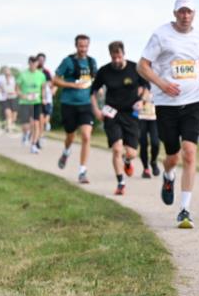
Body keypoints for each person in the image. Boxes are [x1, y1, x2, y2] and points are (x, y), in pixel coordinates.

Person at [138, 0, 199, 228]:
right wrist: (162, 84)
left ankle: (184, 209)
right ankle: (168, 175)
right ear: (175, 13)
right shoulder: (161, 35)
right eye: (181, 12)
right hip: (166, 103)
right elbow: (142, 66)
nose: (185, 16)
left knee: (189, 152)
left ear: (194, 14)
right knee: (172, 155)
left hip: (194, 100)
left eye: (189, 12)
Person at [90, 41, 148, 195]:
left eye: (119, 56)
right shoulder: (104, 71)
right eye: (113, 57)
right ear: (110, 55)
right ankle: (121, 183)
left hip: (131, 114)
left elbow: (147, 88)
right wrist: (96, 110)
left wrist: (142, 100)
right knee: (116, 149)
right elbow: (93, 91)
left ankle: (127, 161)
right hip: (112, 113)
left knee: (131, 153)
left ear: (124, 54)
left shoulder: (135, 69)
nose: (116, 60)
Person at [54, 36, 98, 184]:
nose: (83, 49)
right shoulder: (68, 61)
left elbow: (96, 80)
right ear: (76, 46)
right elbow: (56, 80)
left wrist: (98, 89)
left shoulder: (92, 62)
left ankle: (82, 171)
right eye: (80, 46)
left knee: (86, 136)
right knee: (70, 136)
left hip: (85, 104)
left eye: (85, 46)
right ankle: (66, 152)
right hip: (69, 103)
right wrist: (72, 85)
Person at [18, 56, 47, 153]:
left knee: (36, 123)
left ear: (37, 64)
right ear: (29, 64)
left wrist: (44, 98)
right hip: (25, 102)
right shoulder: (23, 75)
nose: (33, 65)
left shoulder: (41, 75)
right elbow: (17, 88)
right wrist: (22, 96)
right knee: (26, 125)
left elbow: (43, 88)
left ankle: (33, 145)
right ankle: (25, 134)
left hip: (36, 102)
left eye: (35, 64)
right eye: (31, 63)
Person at [138, 87, 161, 179]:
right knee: (143, 144)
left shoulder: (155, 84)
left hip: (154, 118)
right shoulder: (139, 85)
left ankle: (153, 161)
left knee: (155, 143)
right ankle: (145, 168)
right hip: (140, 118)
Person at [36, 53, 54, 138]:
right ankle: (39, 135)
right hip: (36, 98)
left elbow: (52, 83)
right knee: (39, 119)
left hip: (47, 98)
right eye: (39, 60)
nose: (41, 62)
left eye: (43, 60)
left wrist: (53, 89)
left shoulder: (47, 72)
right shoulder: (34, 71)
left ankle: (42, 131)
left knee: (46, 115)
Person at [0, 67, 18, 133]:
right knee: (8, 113)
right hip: (5, 98)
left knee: (14, 115)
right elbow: (0, 88)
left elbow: (17, 87)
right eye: (6, 72)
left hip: (13, 98)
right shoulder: (1, 80)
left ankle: (10, 124)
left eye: (8, 72)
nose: (7, 73)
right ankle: (9, 128)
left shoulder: (13, 79)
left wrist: (16, 92)